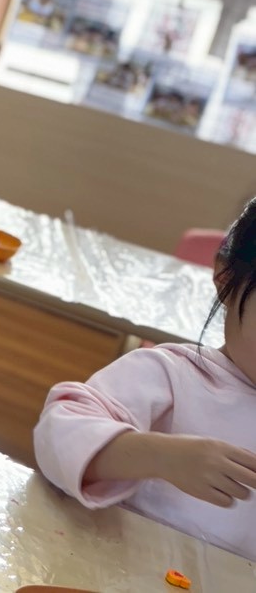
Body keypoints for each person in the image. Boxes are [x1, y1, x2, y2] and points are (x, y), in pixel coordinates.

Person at [33, 202, 256, 561]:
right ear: (226, 280)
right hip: (119, 574)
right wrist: (160, 456)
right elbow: (58, 432)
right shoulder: (173, 376)